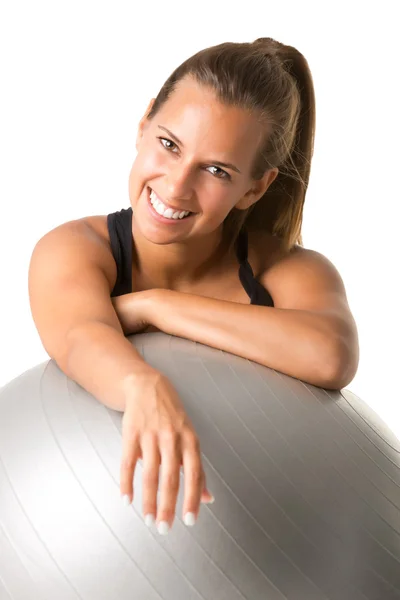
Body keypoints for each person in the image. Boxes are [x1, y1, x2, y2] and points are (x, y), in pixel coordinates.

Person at [28, 37, 359, 536]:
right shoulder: (74, 249)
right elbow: (80, 335)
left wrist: (157, 306)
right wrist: (143, 384)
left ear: (255, 187)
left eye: (215, 170)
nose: (177, 186)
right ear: (143, 127)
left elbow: (330, 355)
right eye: (168, 144)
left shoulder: (289, 272)